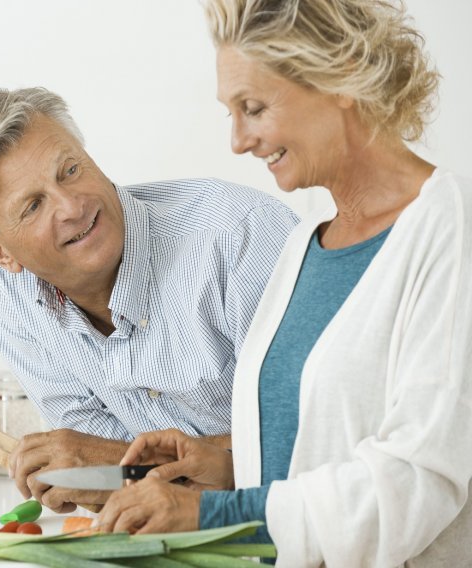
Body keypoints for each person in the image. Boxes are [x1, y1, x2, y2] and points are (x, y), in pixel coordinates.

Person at [98, 0, 472, 565]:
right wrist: (225, 469)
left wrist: (213, 515)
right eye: (231, 112)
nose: (239, 140)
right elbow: (317, 457)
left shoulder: (451, 232)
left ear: (340, 78)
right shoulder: (304, 245)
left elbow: (417, 477)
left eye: (253, 107)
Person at [0, 87, 298, 511]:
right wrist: (91, 472)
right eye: (33, 206)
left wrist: (108, 461)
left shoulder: (241, 238)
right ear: (0, 253)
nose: (72, 206)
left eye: (70, 170)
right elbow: (106, 488)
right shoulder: (14, 307)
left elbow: (318, 441)